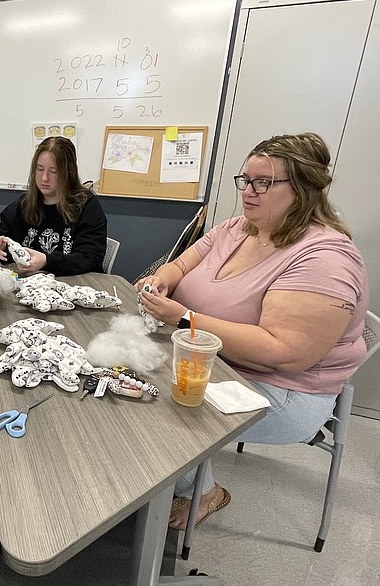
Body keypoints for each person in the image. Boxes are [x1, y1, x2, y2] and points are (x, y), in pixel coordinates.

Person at [136, 133, 369, 530]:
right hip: (220, 362)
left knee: (159, 409)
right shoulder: (237, 228)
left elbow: (283, 351)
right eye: (245, 180)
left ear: (303, 189)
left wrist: (185, 318)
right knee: (133, 382)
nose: (250, 191)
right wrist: (161, 280)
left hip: (284, 390)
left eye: (264, 183)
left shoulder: (325, 258)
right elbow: (180, 265)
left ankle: (204, 493)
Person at [0, 136, 107, 276]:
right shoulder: (22, 206)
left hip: (74, 286)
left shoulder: (86, 206)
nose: (44, 178)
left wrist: (47, 261)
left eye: (53, 171)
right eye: (39, 169)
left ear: (69, 173)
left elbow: (90, 259)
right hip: (31, 286)